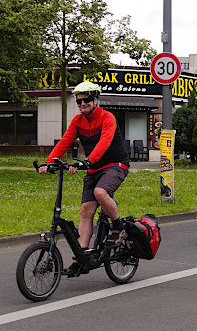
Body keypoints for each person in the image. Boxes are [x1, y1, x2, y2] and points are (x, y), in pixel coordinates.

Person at [39, 81, 130, 274]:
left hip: (115, 165)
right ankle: (82, 257)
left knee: (100, 192)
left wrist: (87, 160)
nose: (82, 104)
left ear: (95, 99)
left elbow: (105, 141)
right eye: (79, 102)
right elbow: (65, 141)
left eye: (86, 100)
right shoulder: (77, 121)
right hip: (93, 168)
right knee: (85, 211)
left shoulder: (108, 118)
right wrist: (48, 162)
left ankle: (118, 226)